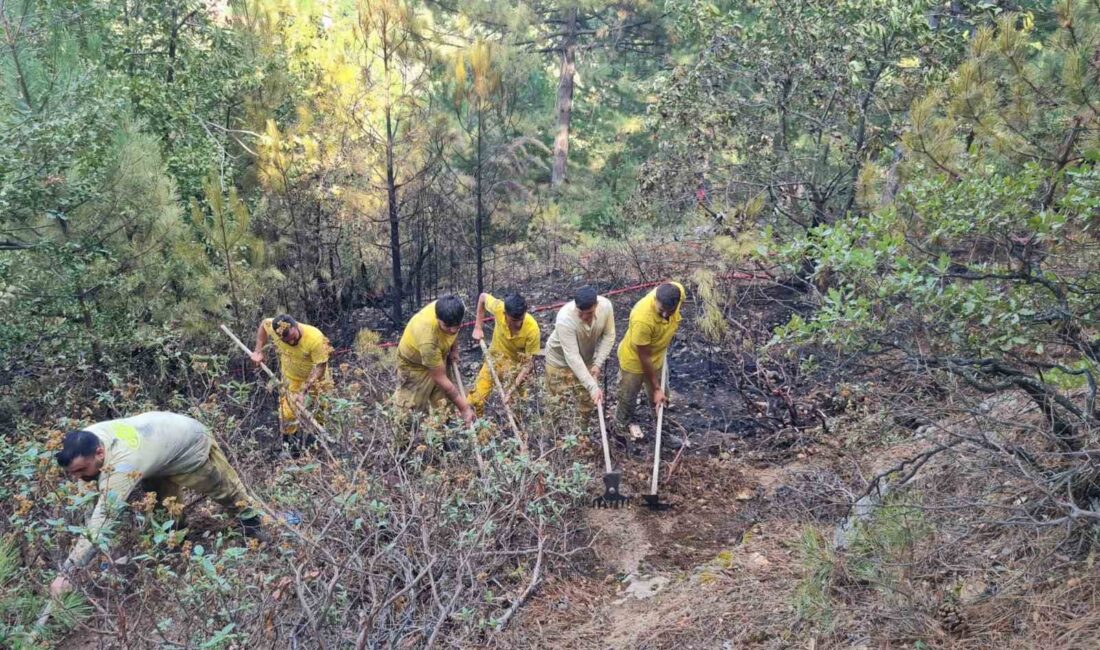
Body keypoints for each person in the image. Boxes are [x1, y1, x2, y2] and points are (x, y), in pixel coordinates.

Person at [49, 412, 266, 597]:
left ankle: (254, 525)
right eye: (72, 473)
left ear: (100, 453)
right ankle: (176, 543)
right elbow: (90, 503)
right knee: (162, 505)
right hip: (157, 448)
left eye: (81, 471)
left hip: (188, 442)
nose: (78, 478)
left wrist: (67, 573)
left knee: (222, 488)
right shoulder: (87, 439)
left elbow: (102, 520)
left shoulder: (122, 466)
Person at [250, 314, 333, 448]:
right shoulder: (274, 327)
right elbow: (263, 325)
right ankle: (290, 446)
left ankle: (317, 443)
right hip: (291, 379)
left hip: (316, 380)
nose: (290, 343)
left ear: (296, 326)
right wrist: (258, 351)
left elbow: (320, 367)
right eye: (285, 341)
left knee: (318, 410)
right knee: (287, 414)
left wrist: (303, 390)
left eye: (292, 338)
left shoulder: (315, 338)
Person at [393, 295, 475, 425]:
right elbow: (440, 378)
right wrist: (464, 408)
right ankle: (403, 443)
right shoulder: (428, 337)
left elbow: (453, 331)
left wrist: (454, 349)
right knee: (409, 410)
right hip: (414, 365)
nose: (453, 330)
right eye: (447, 327)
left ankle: (442, 436)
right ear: (438, 319)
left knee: (443, 403)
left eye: (457, 326)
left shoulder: (451, 310)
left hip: (437, 357)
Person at [615, 282, 686, 430]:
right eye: (661, 310)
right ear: (655, 300)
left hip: (658, 356)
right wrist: (655, 387)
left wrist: (658, 391)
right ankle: (621, 428)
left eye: (670, 311)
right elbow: (644, 357)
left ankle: (660, 425)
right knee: (627, 397)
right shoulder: (642, 318)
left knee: (662, 396)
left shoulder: (677, 290)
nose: (665, 315)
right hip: (634, 361)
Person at [543, 286, 616, 425]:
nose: (583, 317)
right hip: (558, 361)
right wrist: (593, 387)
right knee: (556, 403)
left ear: (596, 306)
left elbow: (609, 335)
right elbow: (572, 356)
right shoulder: (565, 318)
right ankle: (550, 435)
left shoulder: (606, 307)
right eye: (580, 312)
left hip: (586, 359)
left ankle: (582, 434)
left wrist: (597, 364)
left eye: (588, 313)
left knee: (586, 401)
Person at [469, 292, 541, 415]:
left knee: (517, 406)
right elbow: (482, 297)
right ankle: (478, 428)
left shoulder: (532, 330)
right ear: (505, 314)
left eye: (521, 320)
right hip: (494, 359)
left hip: (516, 369)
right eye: (514, 320)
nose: (518, 324)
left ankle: (518, 428)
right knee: (476, 400)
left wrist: (512, 390)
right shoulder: (499, 307)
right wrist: (478, 327)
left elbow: (529, 364)